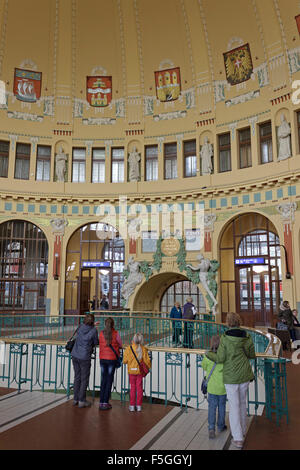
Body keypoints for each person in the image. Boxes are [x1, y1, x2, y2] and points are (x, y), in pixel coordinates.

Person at [205, 312, 256, 449]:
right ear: (239, 321)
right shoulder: (247, 336)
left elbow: (220, 358)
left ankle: (238, 438)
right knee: (242, 403)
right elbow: (251, 354)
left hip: (231, 377)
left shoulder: (225, 338)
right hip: (244, 374)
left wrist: (208, 354)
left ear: (228, 322)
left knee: (234, 406)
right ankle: (243, 430)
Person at [71, 313, 99, 408]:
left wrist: (92, 326)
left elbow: (84, 330)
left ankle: (75, 399)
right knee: (84, 379)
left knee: (77, 377)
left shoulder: (80, 326)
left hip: (75, 354)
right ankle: (82, 400)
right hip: (85, 357)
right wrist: (94, 328)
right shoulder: (94, 331)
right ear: (93, 322)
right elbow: (96, 342)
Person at [202, 336, 227, 439]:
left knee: (212, 408)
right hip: (223, 388)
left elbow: (204, 366)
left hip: (212, 388)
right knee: (222, 407)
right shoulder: (225, 356)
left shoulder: (208, 356)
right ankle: (221, 426)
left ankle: (211, 428)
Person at [123, 333, 151, 412]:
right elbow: (147, 361)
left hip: (131, 371)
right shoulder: (143, 349)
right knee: (139, 388)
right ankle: (138, 406)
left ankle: (132, 406)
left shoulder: (128, 349)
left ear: (133, 340)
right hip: (139, 372)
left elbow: (124, 361)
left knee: (132, 388)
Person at [99, 317, 123, 410]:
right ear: (113, 324)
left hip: (102, 359)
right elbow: (120, 344)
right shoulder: (116, 333)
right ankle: (105, 402)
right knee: (109, 380)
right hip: (112, 359)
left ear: (105, 324)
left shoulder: (101, 333)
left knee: (103, 380)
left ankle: (101, 402)